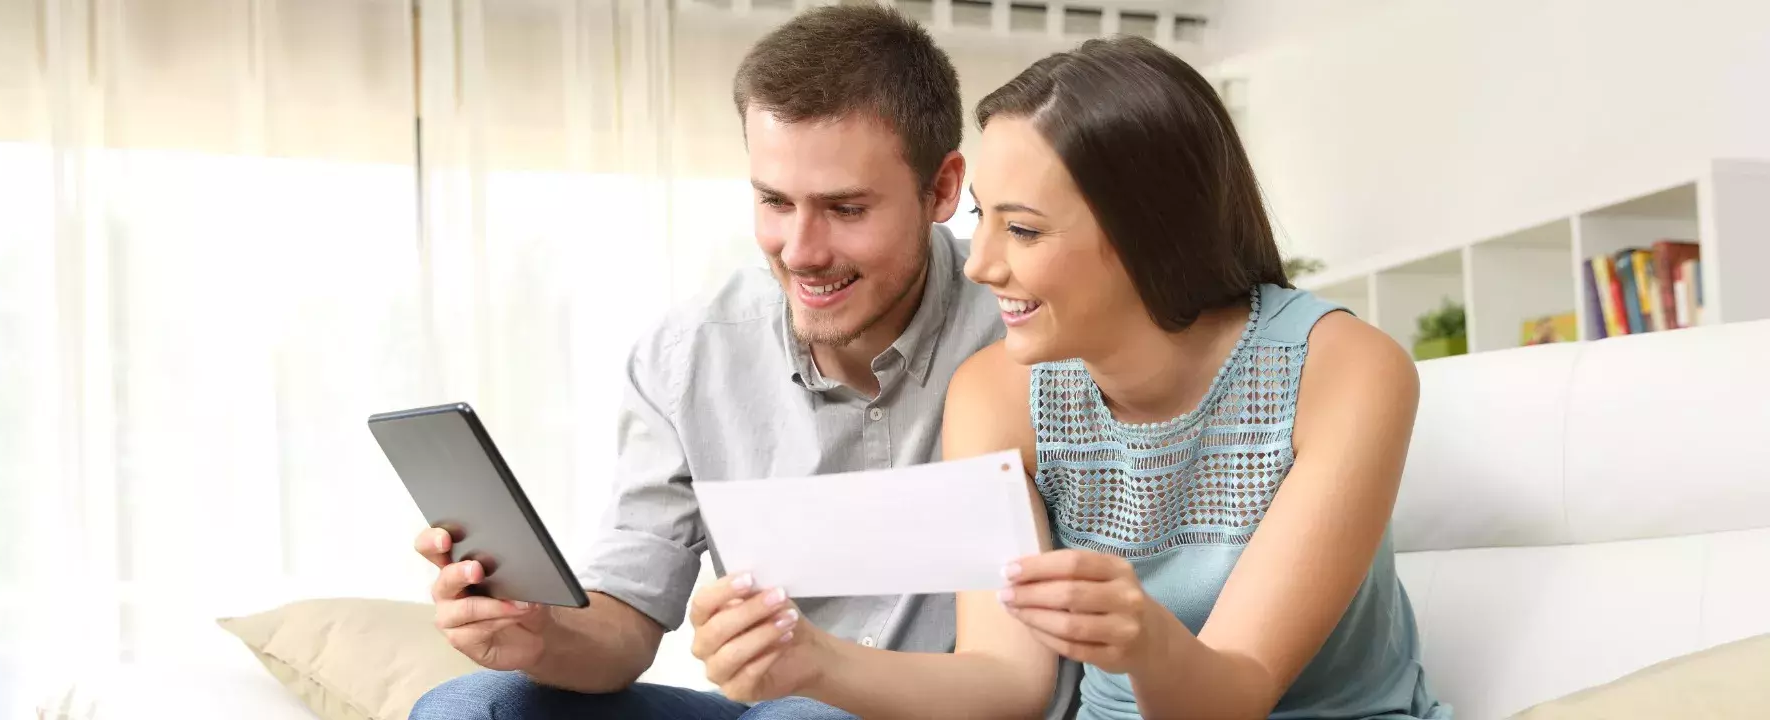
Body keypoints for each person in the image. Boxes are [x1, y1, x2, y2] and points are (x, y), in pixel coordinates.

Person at [701, 36, 1452, 720]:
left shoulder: (1343, 369)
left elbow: (1239, 692)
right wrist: (815, 660)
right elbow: (1008, 680)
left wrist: (1147, 645)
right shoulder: (995, 392)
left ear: (1147, 231)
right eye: (980, 217)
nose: (981, 264)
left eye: (1022, 228)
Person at [407, 6, 1011, 720]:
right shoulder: (687, 356)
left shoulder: (1019, 327)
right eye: (774, 201)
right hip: (768, 710)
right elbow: (624, 622)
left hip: (930, 710)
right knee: (472, 706)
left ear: (942, 190)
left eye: (846, 209)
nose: (800, 250)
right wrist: (537, 634)